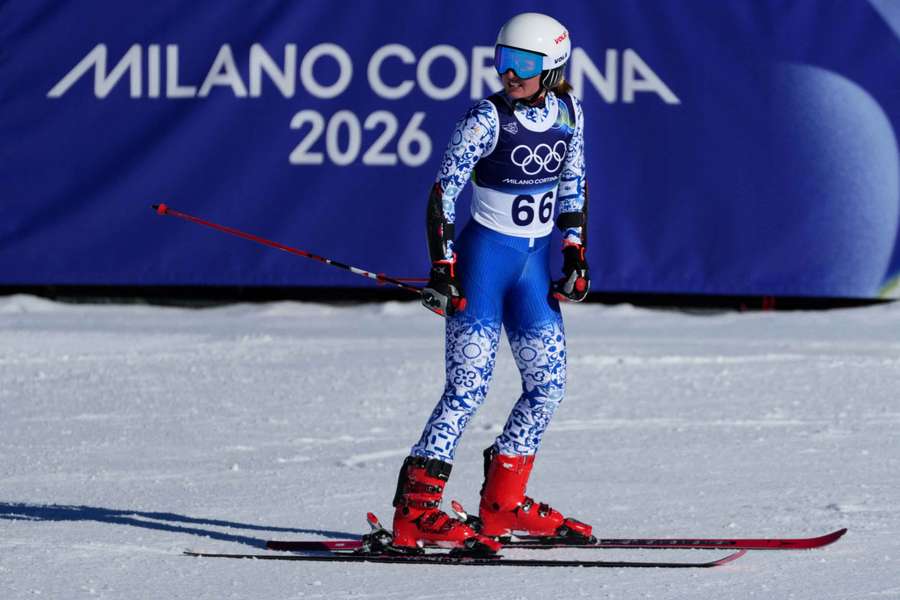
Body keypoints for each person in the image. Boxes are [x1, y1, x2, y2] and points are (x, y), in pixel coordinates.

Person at [390, 12, 592, 554]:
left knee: (547, 386)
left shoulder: (570, 111)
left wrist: (574, 256)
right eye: (503, 60)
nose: (509, 73)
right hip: (483, 266)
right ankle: (415, 511)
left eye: (523, 64)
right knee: (467, 390)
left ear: (552, 67)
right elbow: (443, 192)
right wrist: (442, 267)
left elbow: (573, 184)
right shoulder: (485, 120)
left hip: (531, 271)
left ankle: (503, 504)